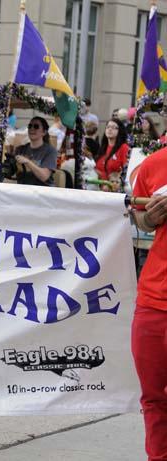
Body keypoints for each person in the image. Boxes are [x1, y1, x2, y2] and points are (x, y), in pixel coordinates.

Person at [130, 145, 167, 461]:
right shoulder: (154, 164)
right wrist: (148, 217)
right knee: (153, 396)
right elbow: (138, 218)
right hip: (154, 298)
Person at [13, 116, 58, 186]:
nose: (32, 129)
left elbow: (44, 176)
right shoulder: (20, 149)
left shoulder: (50, 151)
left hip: (43, 192)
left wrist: (28, 162)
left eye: (36, 126)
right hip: (23, 190)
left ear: (44, 132)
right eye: (30, 126)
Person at [95, 118, 129, 183]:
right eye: (108, 127)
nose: (110, 129)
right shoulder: (103, 147)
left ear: (120, 131)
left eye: (114, 127)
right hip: (98, 187)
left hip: (114, 188)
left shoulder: (124, 147)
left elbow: (126, 171)